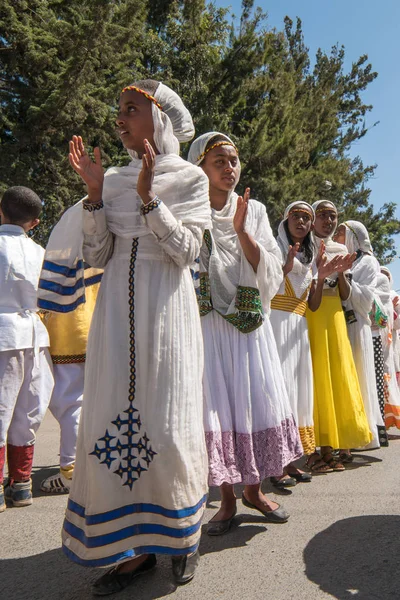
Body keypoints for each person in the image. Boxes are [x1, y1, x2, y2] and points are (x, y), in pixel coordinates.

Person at [38, 80, 211, 595]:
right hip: (115, 323)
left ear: (158, 118)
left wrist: (150, 200)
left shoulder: (191, 179)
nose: (120, 119)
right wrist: (95, 197)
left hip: (168, 319)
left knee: (169, 426)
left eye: (131, 109)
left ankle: (182, 537)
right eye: (119, 110)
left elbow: (187, 253)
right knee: (112, 424)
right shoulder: (110, 178)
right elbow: (95, 257)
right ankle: (132, 550)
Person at [188, 132, 303, 535]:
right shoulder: (190, 208)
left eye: (233, 159)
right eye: (218, 160)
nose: (229, 167)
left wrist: (242, 231)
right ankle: (228, 500)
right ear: (199, 167)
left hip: (249, 321)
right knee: (216, 404)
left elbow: (271, 270)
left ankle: (254, 491)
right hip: (206, 322)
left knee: (254, 400)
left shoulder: (253, 210)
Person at [270, 201, 345, 485]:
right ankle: (274, 464)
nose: (301, 221)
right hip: (276, 324)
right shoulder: (274, 247)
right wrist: (284, 266)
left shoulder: (312, 257)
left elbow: (313, 306)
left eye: (306, 218)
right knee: (279, 392)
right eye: (296, 216)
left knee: (298, 393)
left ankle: (290, 461)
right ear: (286, 220)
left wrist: (321, 277)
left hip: (299, 328)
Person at [305, 201, 371, 472]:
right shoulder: (306, 246)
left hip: (334, 316)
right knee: (318, 380)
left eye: (332, 216)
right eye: (322, 215)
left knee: (338, 377)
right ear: (313, 219)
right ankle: (318, 449)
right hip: (312, 315)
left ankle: (335, 445)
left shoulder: (342, 248)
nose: (328, 221)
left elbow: (345, 295)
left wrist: (341, 271)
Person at [0, 186, 54, 512]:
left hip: (3, 335)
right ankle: (21, 484)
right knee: (27, 411)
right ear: (34, 223)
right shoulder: (40, 251)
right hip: (35, 334)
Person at [38, 222, 102, 493]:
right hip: (102, 333)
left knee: (70, 404)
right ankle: (95, 465)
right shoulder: (105, 251)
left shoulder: (60, 252)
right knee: (97, 404)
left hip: (69, 335)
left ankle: (70, 472)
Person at [333, 221, 387, 449]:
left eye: (341, 233)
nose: (336, 236)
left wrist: (344, 280)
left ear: (354, 237)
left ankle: (361, 434)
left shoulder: (367, 262)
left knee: (358, 377)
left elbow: (365, 300)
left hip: (357, 326)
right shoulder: (341, 259)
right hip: (339, 322)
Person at [378, 266, 400, 429]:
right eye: (380, 274)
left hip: (391, 347)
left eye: (386, 275)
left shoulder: (394, 296)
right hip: (376, 341)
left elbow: (397, 325)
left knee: (390, 381)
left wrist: (393, 311)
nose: (383, 277)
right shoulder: (375, 295)